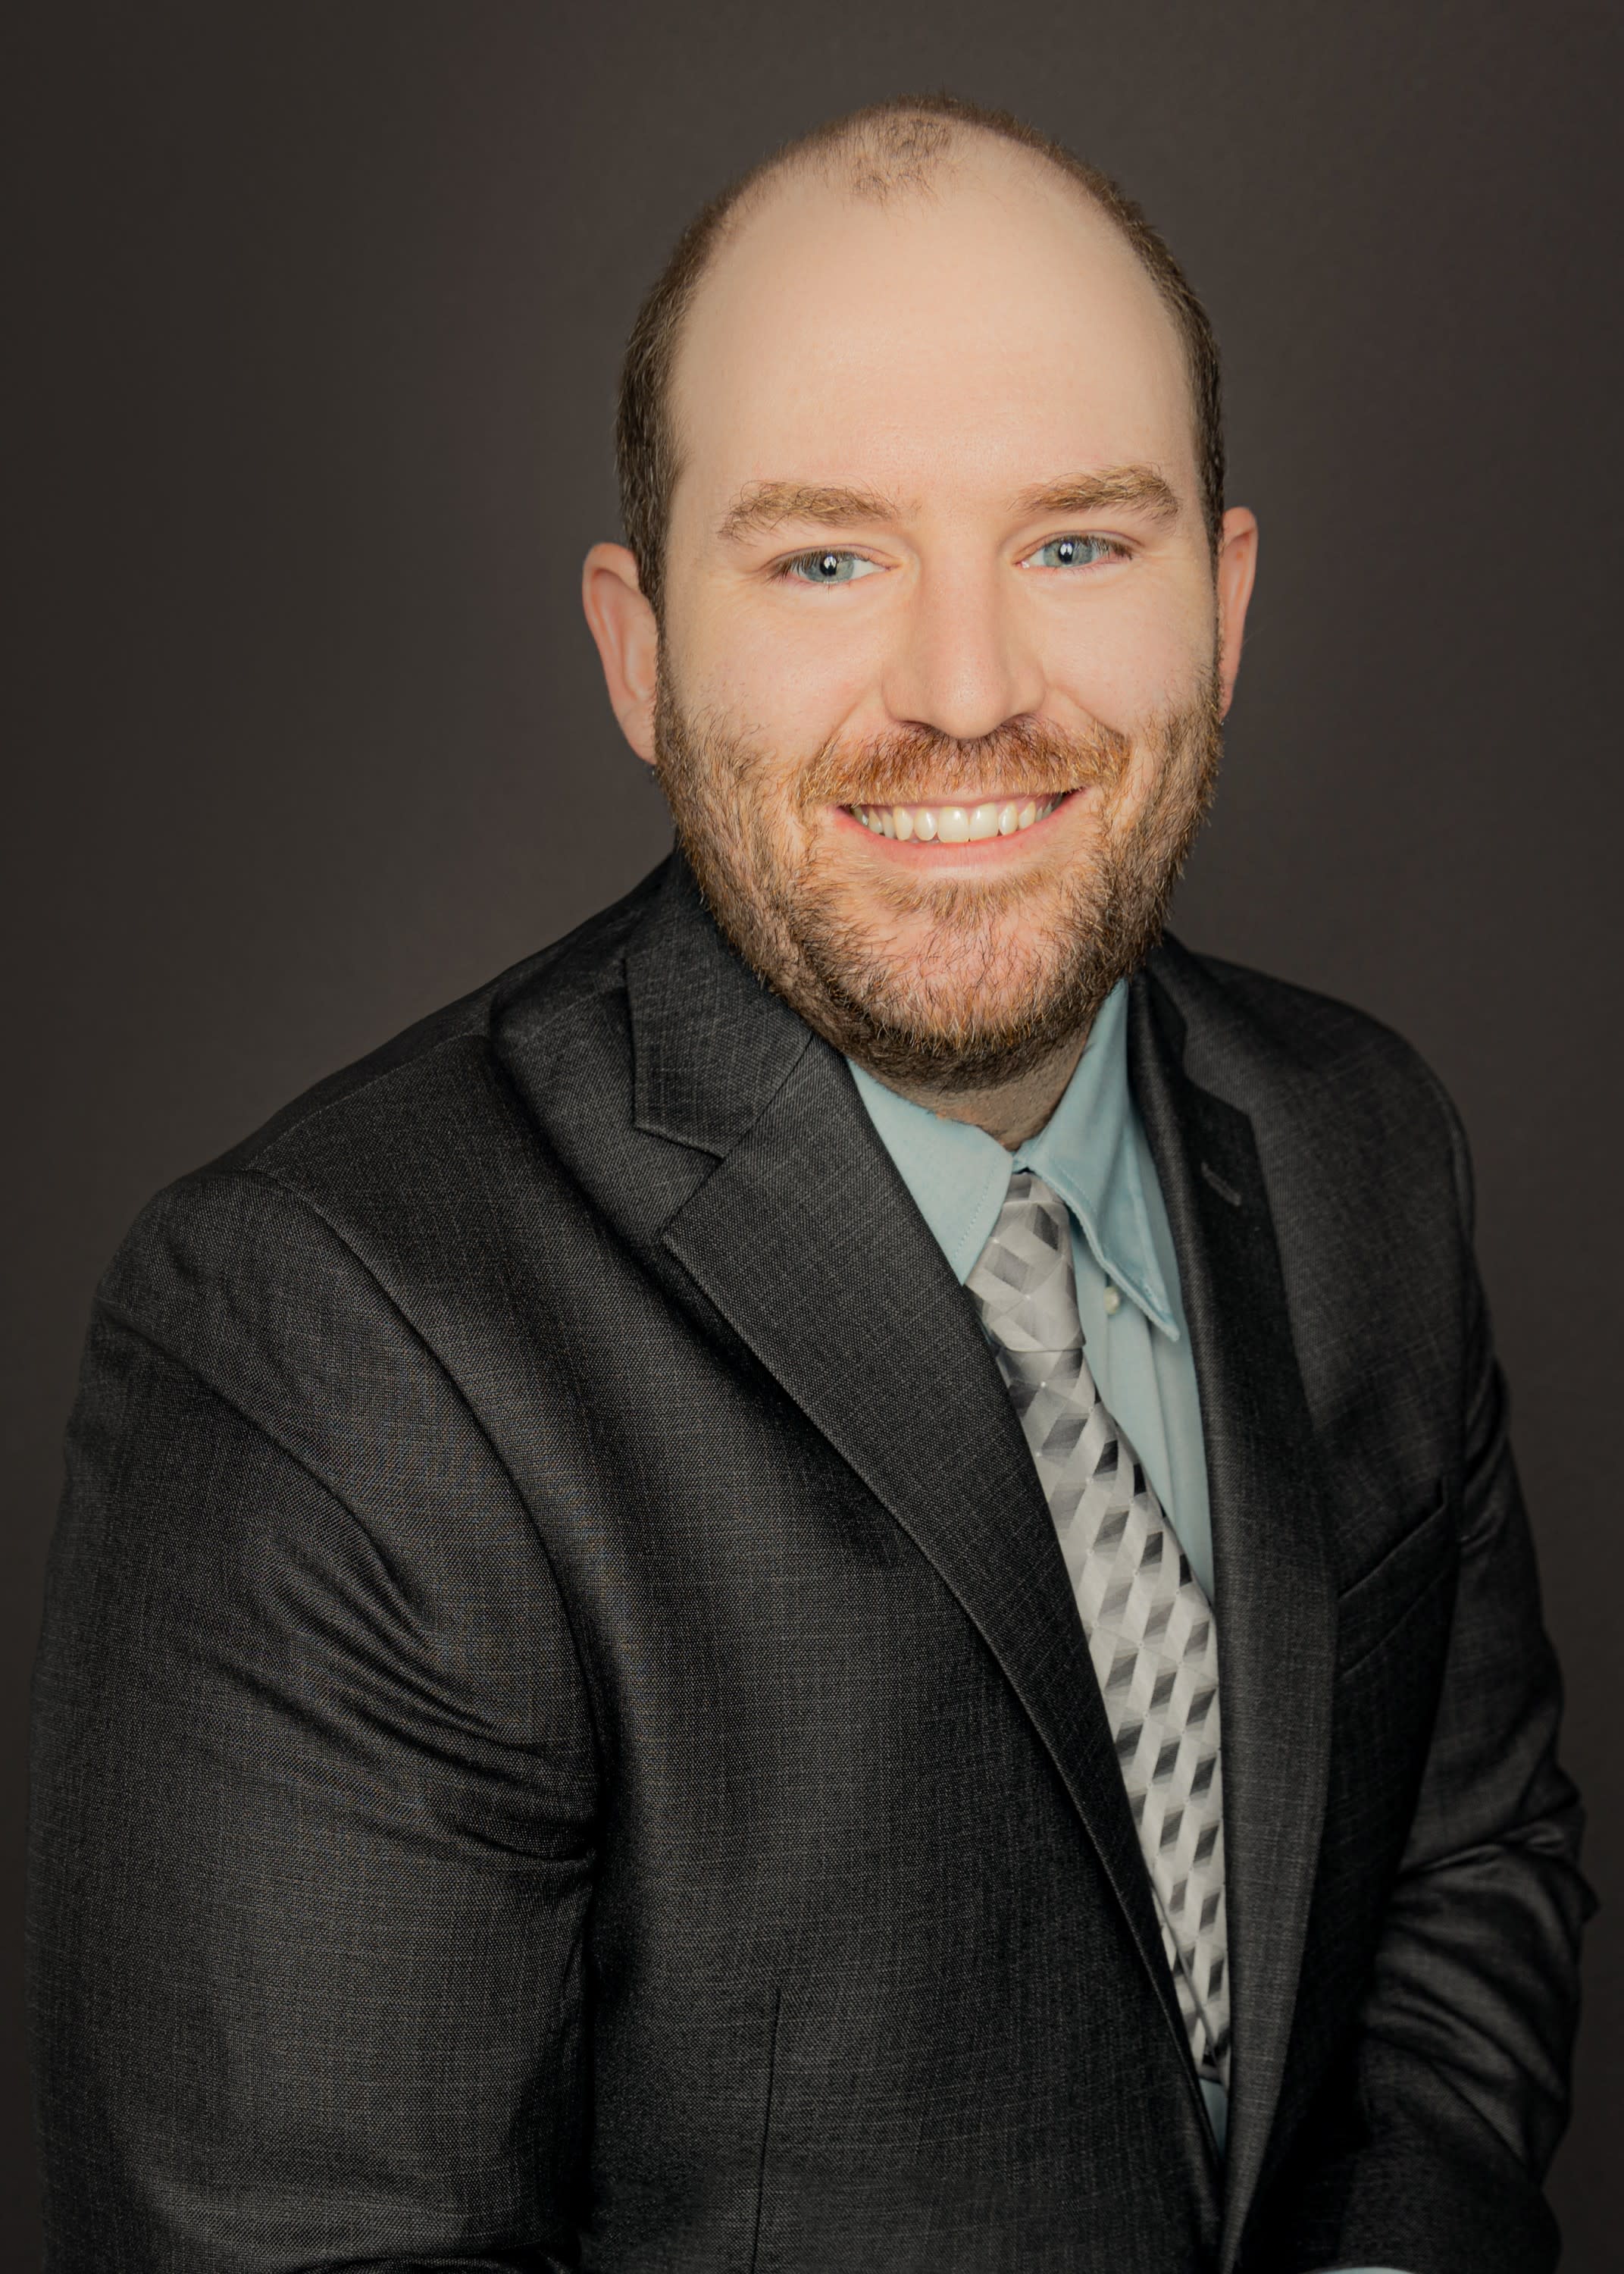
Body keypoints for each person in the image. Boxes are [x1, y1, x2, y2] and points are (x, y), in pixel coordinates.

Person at [28, 92, 1591, 2273]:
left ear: (1225, 607)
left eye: (1078, 544)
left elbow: (1465, 1870)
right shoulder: (327, 1344)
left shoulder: (1367, 1146)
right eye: (827, 559)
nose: (967, 694)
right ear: (641, 651)